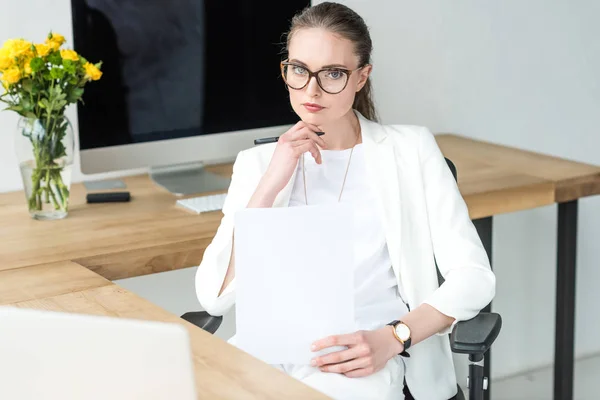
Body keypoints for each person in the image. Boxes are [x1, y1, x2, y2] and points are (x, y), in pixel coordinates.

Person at [195, 2, 495, 399]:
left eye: (333, 73)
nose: (312, 90)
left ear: (361, 77)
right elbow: (213, 298)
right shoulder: (258, 164)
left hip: (361, 354)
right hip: (267, 351)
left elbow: (474, 278)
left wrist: (394, 337)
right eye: (299, 70)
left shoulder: (410, 151)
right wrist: (269, 184)